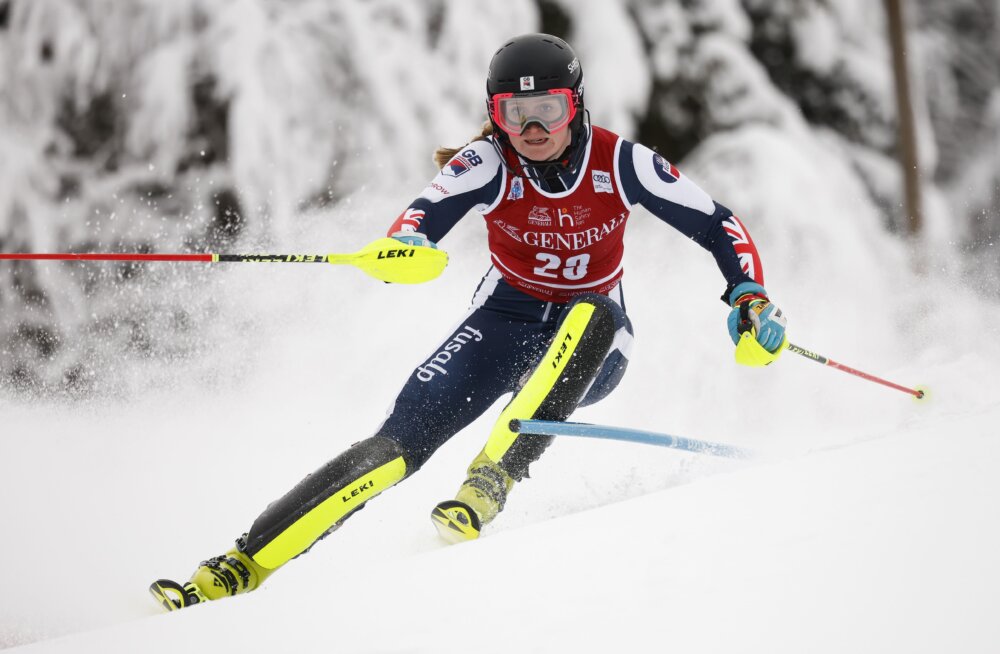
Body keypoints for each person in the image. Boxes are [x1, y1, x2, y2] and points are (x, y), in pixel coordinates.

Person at [150, 33, 787, 611]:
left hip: (596, 342)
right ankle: (238, 565)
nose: (532, 127)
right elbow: (422, 216)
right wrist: (405, 247)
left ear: (578, 107)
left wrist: (748, 297)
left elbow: (717, 222)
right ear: (494, 114)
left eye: (550, 111)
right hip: (503, 322)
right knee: (394, 446)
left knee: (589, 311)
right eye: (514, 113)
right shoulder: (486, 163)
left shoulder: (623, 163)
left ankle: (492, 479)